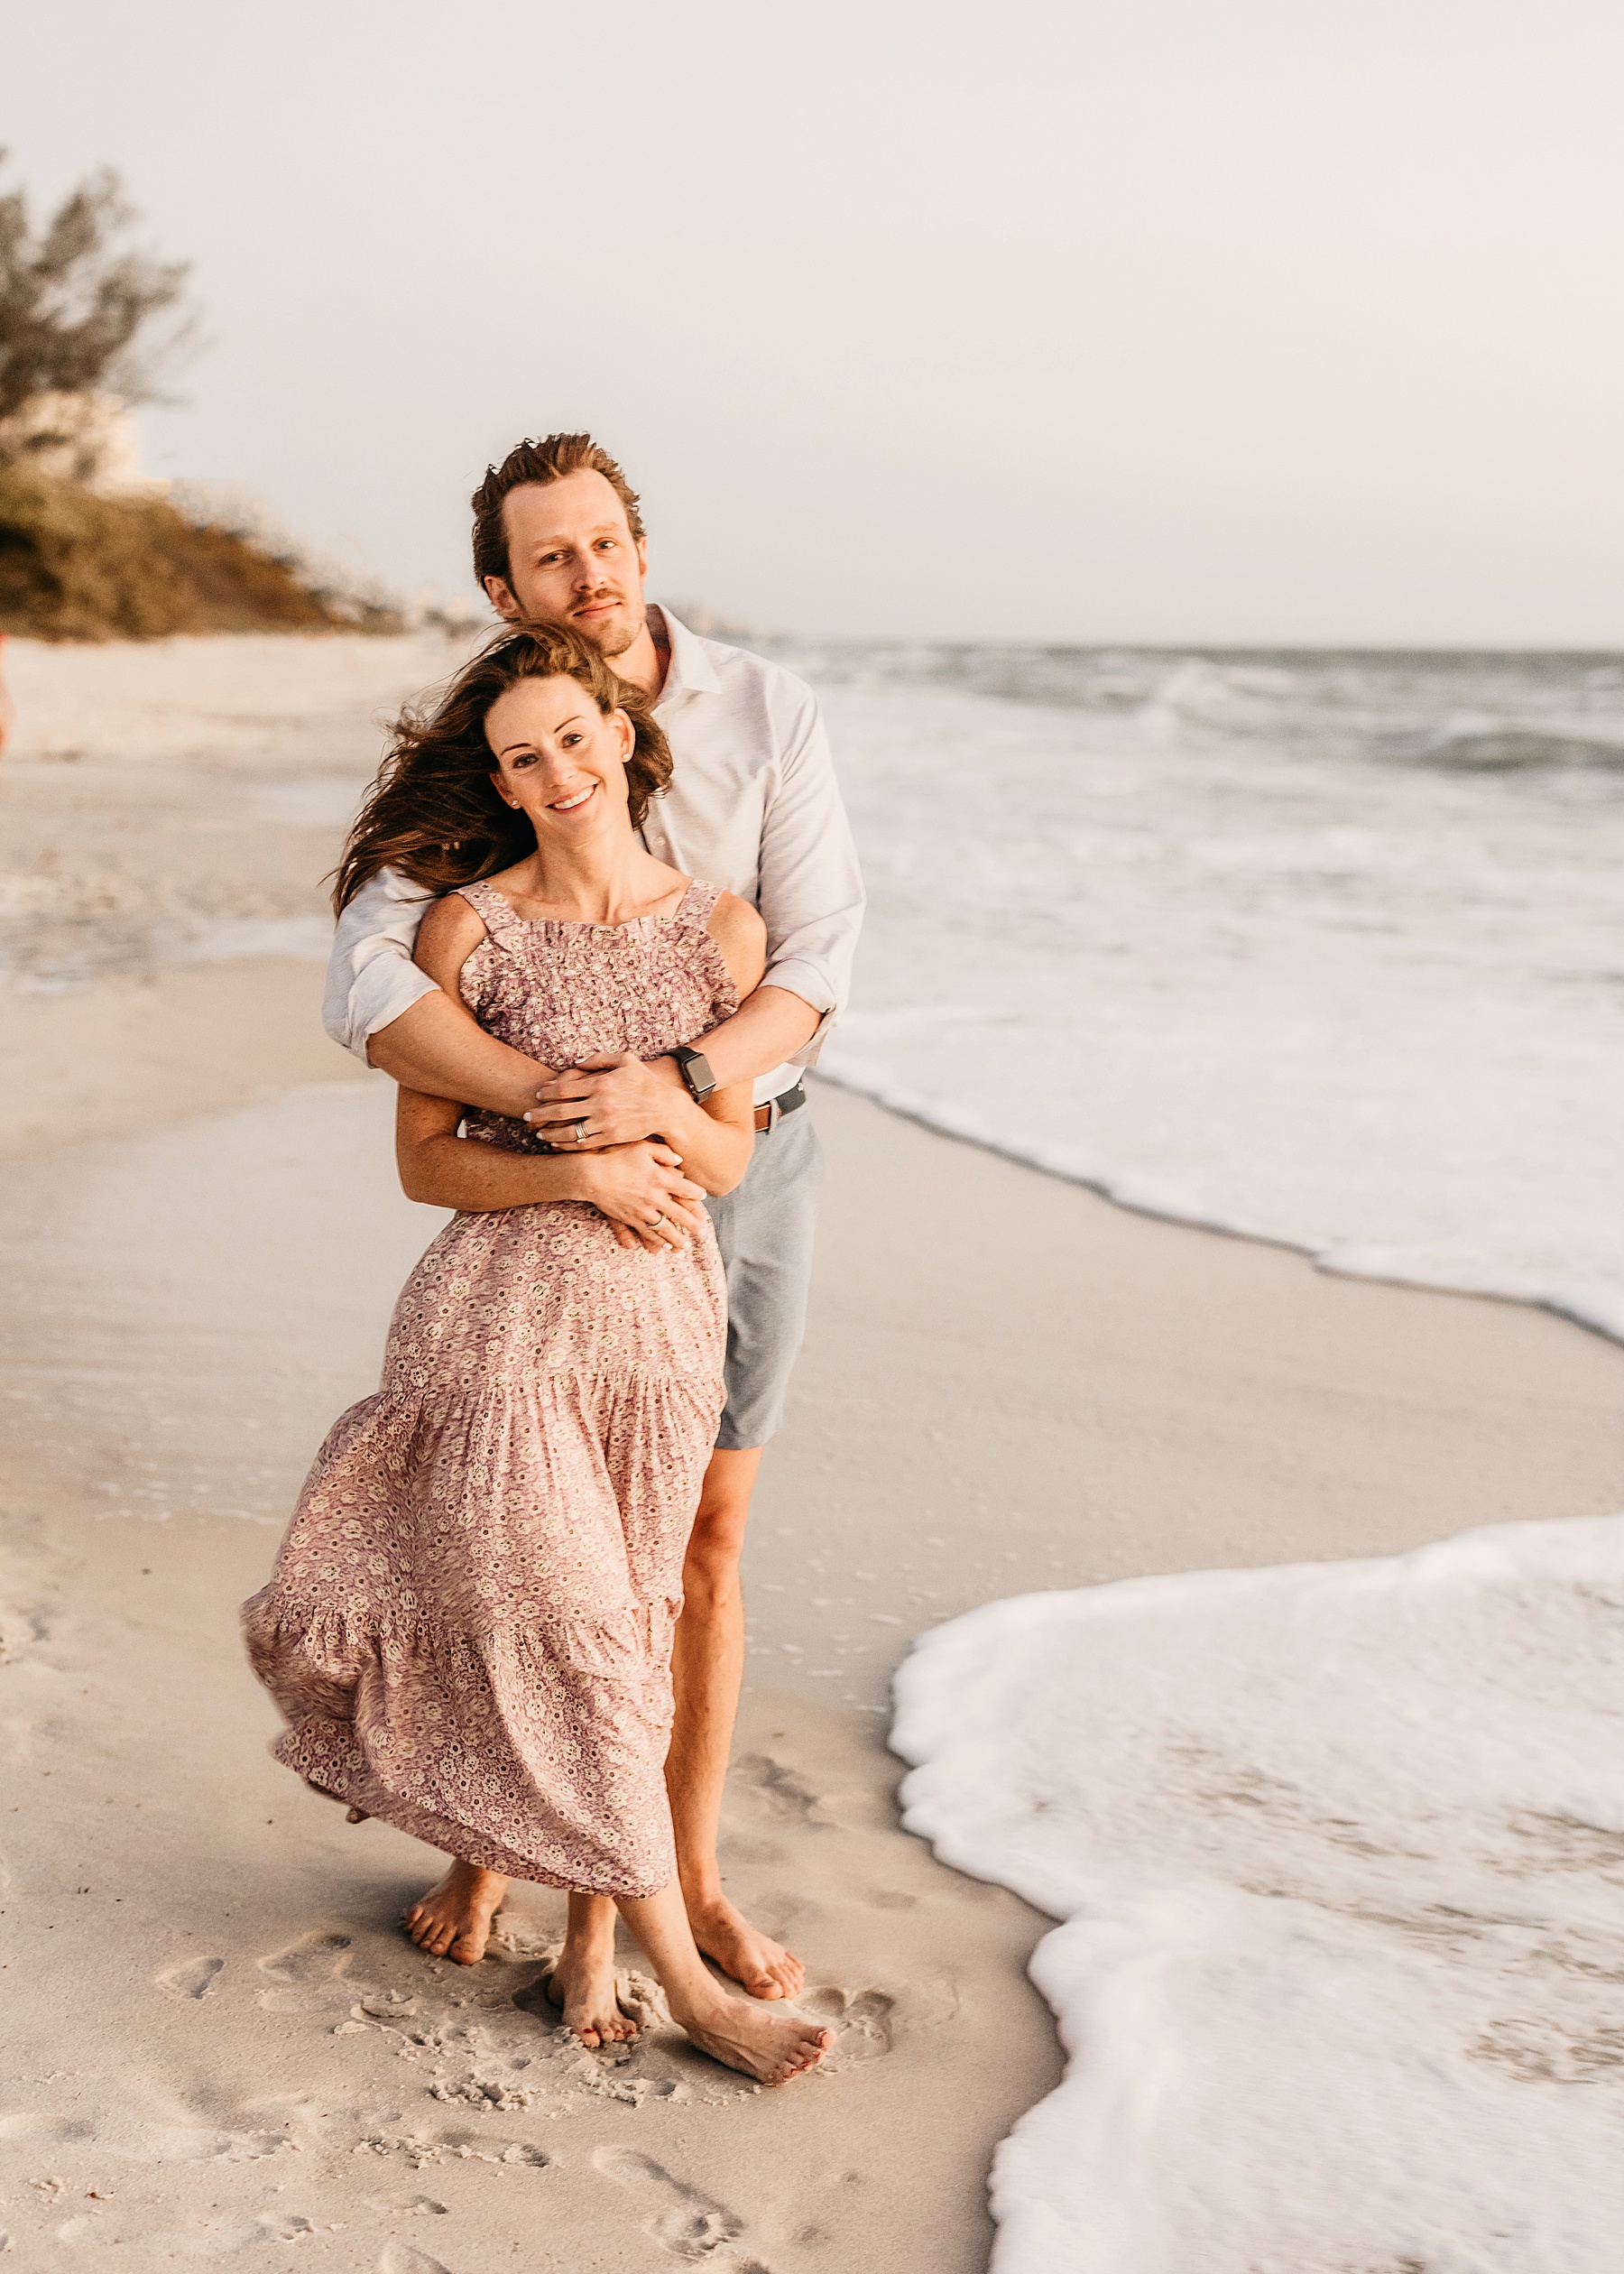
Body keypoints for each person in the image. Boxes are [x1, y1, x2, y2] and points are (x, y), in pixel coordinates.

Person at [245, 624, 833, 2085]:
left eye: (574, 738)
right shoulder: (467, 934)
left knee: (629, 1627)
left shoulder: (724, 935)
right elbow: (428, 1169)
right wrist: (574, 1171)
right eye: (522, 756)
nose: (556, 771)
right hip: (498, 1322)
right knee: (566, 1620)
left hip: (658, 1332)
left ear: (625, 739)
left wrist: (651, 1109)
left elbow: (726, 1158)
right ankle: (694, 1990)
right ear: (499, 784)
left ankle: (589, 1935)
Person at [323, 434, 863, 2001]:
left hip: (742, 1149)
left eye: (608, 543)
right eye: (553, 558)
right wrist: (567, 1106)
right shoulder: (490, 740)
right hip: (542, 1202)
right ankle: (490, 1835)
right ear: (503, 586)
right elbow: (372, 985)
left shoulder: (767, 711)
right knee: (528, 1537)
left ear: (640, 540)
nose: (593, 577)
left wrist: (675, 1088)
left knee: (698, 1533)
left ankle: (679, 1882)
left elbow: (815, 966)